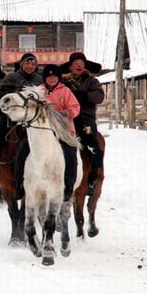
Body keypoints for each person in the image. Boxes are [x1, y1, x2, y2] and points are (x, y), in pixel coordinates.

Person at [13, 64, 81, 201]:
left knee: (70, 153)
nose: (51, 79)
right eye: (49, 76)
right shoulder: (39, 92)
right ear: (44, 78)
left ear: (58, 77)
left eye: (54, 76)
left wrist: (66, 113)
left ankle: (68, 187)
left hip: (62, 130)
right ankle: (19, 184)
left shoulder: (65, 91)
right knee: (22, 149)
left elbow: (75, 107)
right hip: (41, 130)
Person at [0, 52, 43, 177]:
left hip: (34, 118)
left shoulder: (39, 80)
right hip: (11, 117)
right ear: (22, 64)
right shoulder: (11, 78)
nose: (30, 66)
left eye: (33, 64)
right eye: (27, 63)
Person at [60, 52, 104, 196]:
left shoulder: (92, 81)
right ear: (70, 66)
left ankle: (93, 178)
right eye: (75, 63)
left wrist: (83, 96)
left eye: (81, 63)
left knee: (93, 145)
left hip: (85, 118)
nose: (79, 65)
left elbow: (99, 97)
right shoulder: (63, 82)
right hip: (66, 118)